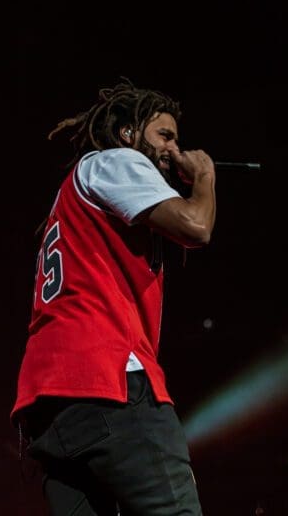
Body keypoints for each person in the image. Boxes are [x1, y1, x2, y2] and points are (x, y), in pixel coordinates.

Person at [11, 78, 216, 515]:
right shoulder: (116, 161)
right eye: (165, 135)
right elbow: (197, 226)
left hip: (49, 403)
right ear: (127, 133)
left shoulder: (76, 192)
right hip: (108, 381)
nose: (174, 149)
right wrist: (204, 178)